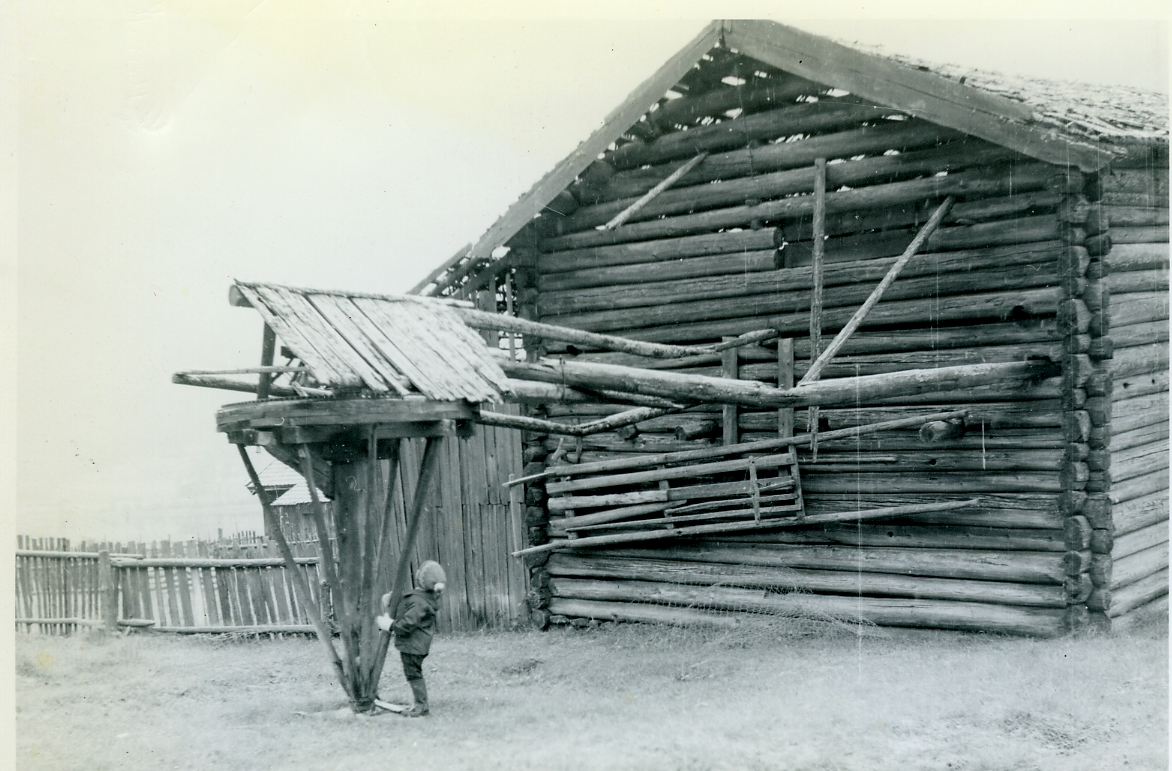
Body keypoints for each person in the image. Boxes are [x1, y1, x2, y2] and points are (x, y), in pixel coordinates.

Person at [376, 560, 446, 717]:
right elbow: (410, 602)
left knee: (413, 673)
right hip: (419, 644)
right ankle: (420, 704)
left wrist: (389, 625)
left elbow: (407, 623)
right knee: (414, 672)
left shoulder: (419, 601)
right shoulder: (427, 598)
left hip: (413, 646)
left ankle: (421, 706)